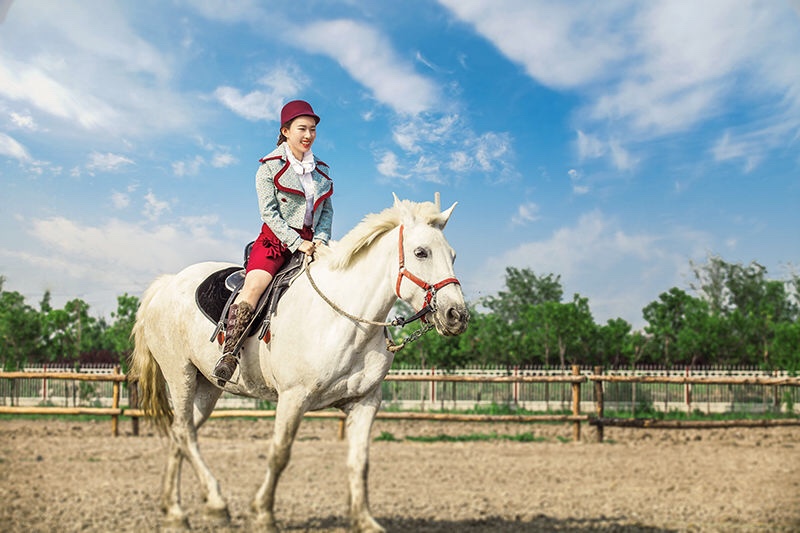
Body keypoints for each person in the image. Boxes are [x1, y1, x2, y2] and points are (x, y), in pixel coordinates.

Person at [213, 100, 333, 385]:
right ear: (286, 131)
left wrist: (320, 240)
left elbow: (326, 211)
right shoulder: (267, 168)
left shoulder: (322, 171)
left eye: (313, 130)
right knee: (254, 287)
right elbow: (269, 213)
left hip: (314, 243)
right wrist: (296, 242)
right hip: (275, 241)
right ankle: (229, 353)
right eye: (302, 129)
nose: (308, 135)